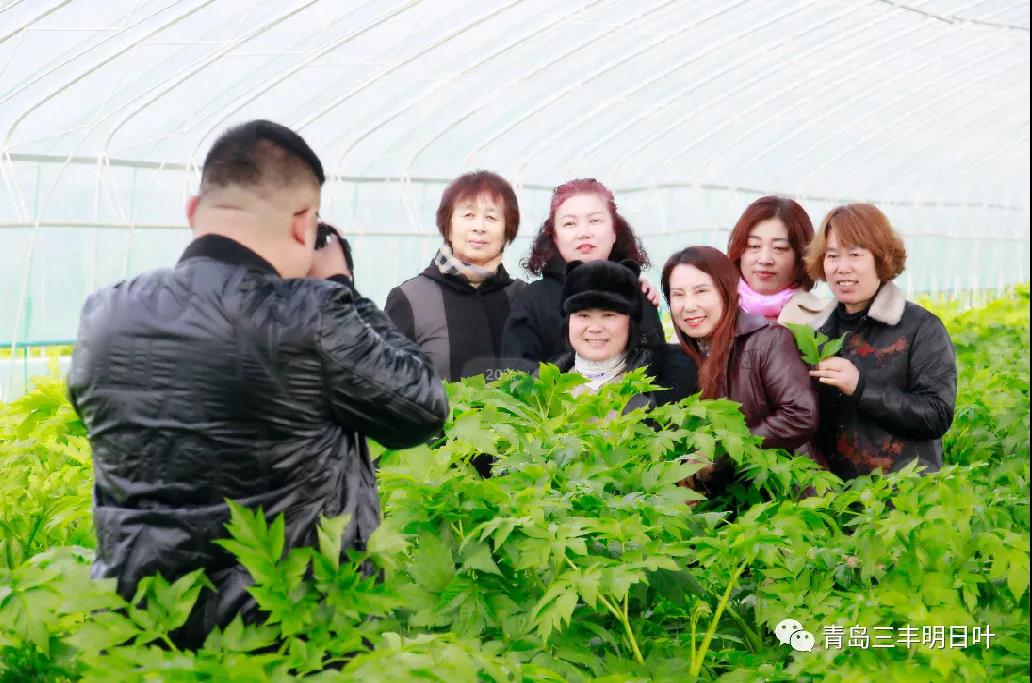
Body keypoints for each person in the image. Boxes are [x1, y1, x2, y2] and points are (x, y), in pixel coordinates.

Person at [67, 119, 449, 648]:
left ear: (192, 213)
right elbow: (422, 406)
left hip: (143, 635)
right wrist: (340, 287)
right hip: (288, 638)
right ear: (304, 225)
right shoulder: (311, 315)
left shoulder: (104, 314)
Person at [803, 204, 956, 480]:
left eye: (855, 255)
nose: (842, 267)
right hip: (829, 499)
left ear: (881, 258)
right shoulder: (815, 331)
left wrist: (861, 388)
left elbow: (937, 414)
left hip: (899, 499)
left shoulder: (920, 327)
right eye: (832, 255)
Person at [661, 246, 820, 495]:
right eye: (678, 295)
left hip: (787, 496)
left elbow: (799, 415)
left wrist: (720, 450)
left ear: (727, 291)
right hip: (731, 508)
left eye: (701, 291)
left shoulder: (769, 341)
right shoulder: (684, 360)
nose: (689, 305)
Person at [502, 178, 666, 368]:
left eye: (595, 220)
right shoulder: (533, 300)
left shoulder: (636, 293)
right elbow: (516, 376)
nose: (584, 232)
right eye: (570, 224)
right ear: (554, 236)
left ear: (614, 232)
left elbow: (658, 368)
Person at [385, 171, 525, 382]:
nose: (479, 227)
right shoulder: (410, 298)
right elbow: (388, 382)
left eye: (491, 217)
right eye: (468, 215)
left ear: (507, 231)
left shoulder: (522, 298)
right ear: (448, 226)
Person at [553, 259, 698, 409]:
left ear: (632, 322)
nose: (595, 328)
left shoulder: (668, 381)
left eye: (609, 315)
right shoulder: (546, 386)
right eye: (583, 315)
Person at [726, 195, 825, 325]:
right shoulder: (713, 312)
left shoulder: (824, 319)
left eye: (780, 248)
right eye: (753, 245)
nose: (765, 259)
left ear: (802, 256)